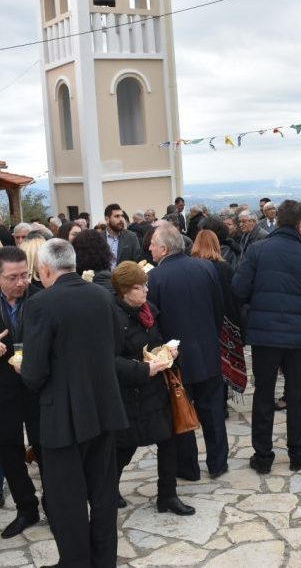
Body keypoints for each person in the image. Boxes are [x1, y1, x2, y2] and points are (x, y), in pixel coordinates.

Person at [21, 238, 128, 568]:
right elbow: (116, 344)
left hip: (63, 416)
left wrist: (23, 368)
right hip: (104, 408)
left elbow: (35, 371)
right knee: (103, 494)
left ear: (46, 269)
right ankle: (103, 561)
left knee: (66, 501)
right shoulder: (101, 295)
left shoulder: (41, 304)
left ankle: (76, 562)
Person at [232, 200, 301, 474]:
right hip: (299, 335)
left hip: (265, 334)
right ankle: (297, 452)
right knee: (298, 394)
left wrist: (252, 309)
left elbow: (238, 288)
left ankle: (263, 455)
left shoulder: (257, 251)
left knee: (264, 395)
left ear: (277, 221)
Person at [111, 262, 195, 516]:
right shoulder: (112, 317)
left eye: (146, 284)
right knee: (124, 448)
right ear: (125, 290)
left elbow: (156, 342)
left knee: (168, 442)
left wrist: (169, 353)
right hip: (129, 396)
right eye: (140, 286)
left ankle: (167, 496)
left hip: (157, 391)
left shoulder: (149, 311)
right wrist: (143, 369)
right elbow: (109, 361)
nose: (146, 290)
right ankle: (108, 490)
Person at [148, 224, 228, 480]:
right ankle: (218, 463)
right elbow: (219, 309)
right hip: (206, 349)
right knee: (213, 410)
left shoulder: (155, 278)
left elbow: (154, 323)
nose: (149, 248)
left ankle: (189, 468)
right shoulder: (206, 267)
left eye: (152, 243)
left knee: (181, 411)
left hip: (176, 356)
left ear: (164, 248)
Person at [0, 247, 42, 539]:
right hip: (3, 392)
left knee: (47, 449)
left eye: (24, 275)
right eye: (12, 277)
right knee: (10, 452)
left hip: (39, 388)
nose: (20, 282)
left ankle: (56, 505)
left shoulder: (41, 297)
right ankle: (26, 507)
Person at [192, 231, 246, 402]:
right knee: (223, 363)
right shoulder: (225, 268)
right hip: (225, 322)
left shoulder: (192, 266)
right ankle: (221, 402)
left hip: (201, 322)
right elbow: (235, 297)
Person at [104, 203, 141, 268]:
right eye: (117, 216)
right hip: (104, 277)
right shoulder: (98, 238)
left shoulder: (131, 237)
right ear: (107, 219)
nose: (121, 219)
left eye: (122, 216)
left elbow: (137, 261)